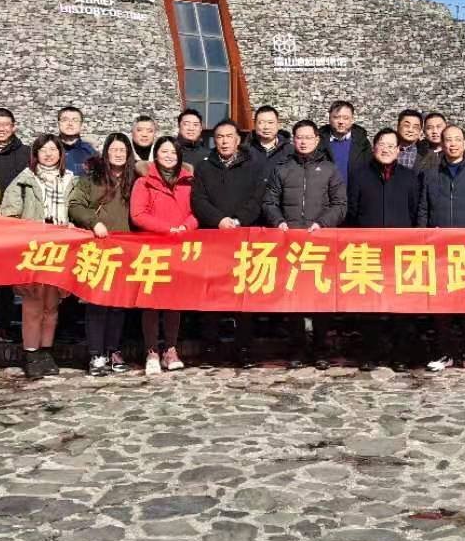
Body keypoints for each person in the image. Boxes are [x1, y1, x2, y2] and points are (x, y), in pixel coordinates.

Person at [264, 120, 347, 367]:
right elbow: (269, 202)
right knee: (293, 297)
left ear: (317, 140)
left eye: (308, 137)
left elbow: (340, 204)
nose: (303, 142)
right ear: (293, 139)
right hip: (289, 242)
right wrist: (278, 221)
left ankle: (321, 349)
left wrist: (322, 223)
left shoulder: (330, 169)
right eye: (299, 137)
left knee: (320, 296)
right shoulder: (282, 168)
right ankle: (297, 348)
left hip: (320, 241)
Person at [191, 119, 267, 367]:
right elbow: (198, 200)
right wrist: (219, 220)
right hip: (213, 238)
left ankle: (244, 348)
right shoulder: (204, 167)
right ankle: (209, 348)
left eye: (229, 137)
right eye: (219, 137)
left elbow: (257, 199)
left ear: (238, 140)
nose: (224, 141)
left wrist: (237, 220)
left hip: (242, 237)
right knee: (210, 294)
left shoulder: (253, 166)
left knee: (243, 295)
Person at [0, 134, 76, 379]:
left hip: (61, 250)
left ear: (60, 154)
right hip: (33, 250)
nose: (49, 154)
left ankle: (46, 350)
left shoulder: (71, 181)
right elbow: (8, 216)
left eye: (53, 149)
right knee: (32, 304)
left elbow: (78, 210)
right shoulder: (23, 181)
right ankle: (31, 352)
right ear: (35, 154)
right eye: (43, 150)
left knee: (52, 305)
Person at [347, 128, 422, 370]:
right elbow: (352, 212)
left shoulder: (409, 178)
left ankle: (400, 354)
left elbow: (415, 212)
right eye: (382, 144)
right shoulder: (359, 175)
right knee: (369, 307)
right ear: (374, 147)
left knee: (401, 307)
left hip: (400, 252)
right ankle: (371, 353)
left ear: (398, 151)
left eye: (391, 146)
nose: (386, 149)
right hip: (368, 252)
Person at [418, 124, 465, 373]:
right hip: (438, 249)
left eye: (457, 139)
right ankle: (443, 353)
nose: (452, 144)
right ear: (442, 144)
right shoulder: (430, 174)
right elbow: (423, 210)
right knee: (440, 306)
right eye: (448, 140)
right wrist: (424, 238)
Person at [67, 133, 135, 376]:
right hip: (99, 247)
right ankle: (96, 354)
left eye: (122, 150)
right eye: (113, 149)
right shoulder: (92, 178)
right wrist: (93, 222)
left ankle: (113, 350)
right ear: (106, 153)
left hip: (126, 249)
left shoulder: (134, 180)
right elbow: (75, 205)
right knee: (97, 302)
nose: (118, 154)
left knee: (118, 304)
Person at [131, 136, 197, 374]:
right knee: (150, 302)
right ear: (156, 155)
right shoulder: (144, 182)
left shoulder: (188, 182)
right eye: (164, 151)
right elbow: (138, 214)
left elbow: (196, 210)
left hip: (179, 246)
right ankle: (151, 351)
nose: (169, 156)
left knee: (173, 301)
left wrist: (185, 227)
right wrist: (168, 229)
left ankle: (170, 349)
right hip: (152, 246)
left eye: (173, 152)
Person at [0, 108, 29, 342]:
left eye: (6, 124)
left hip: (14, 222)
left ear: (14, 127)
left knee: (7, 278)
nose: (1, 128)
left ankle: (4, 325)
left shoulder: (26, 153)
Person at [321, 100, 368, 193]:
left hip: (354, 196)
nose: (341, 122)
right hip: (325, 197)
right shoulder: (318, 142)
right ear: (329, 118)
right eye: (336, 117)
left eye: (345, 118)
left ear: (352, 120)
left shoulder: (362, 143)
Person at [248, 105, 293, 171]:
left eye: (270, 122)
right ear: (254, 125)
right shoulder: (245, 149)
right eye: (261, 123)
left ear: (278, 125)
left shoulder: (290, 151)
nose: (266, 127)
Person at [57, 106, 97, 177]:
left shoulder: (90, 153)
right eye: (65, 120)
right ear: (58, 123)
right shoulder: (47, 149)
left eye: (75, 120)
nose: (70, 123)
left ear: (81, 125)